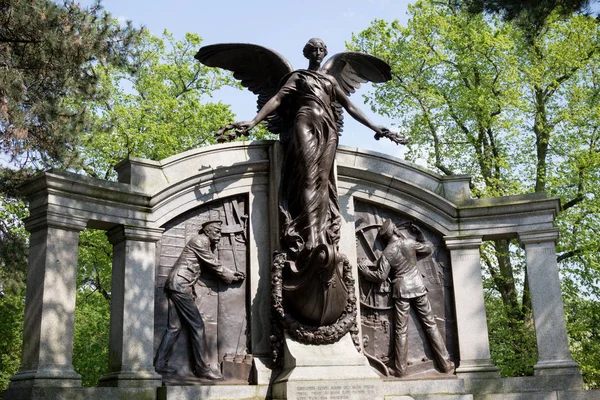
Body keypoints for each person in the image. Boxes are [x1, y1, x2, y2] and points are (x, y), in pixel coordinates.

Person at [228, 38, 392, 258]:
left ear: (325, 53)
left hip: (328, 128)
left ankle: (321, 233)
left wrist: (373, 126)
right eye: (313, 49)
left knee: (322, 182)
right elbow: (277, 98)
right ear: (306, 53)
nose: (317, 52)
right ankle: (311, 236)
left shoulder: (330, 81)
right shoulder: (299, 77)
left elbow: (350, 106)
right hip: (304, 123)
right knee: (308, 176)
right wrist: (253, 121)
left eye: (321, 49)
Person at [154, 212, 245, 380]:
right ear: (208, 231)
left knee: (174, 327)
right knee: (198, 325)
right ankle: (202, 369)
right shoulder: (200, 241)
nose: (219, 235)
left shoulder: (202, 241)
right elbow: (212, 263)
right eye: (217, 232)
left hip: (177, 284)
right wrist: (230, 275)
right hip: (180, 285)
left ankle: (159, 364)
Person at [358, 219, 454, 377]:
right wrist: (420, 235)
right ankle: (445, 364)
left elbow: (380, 276)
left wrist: (364, 272)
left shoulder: (387, 253)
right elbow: (429, 249)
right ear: (395, 231)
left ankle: (401, 370)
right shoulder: (409, 243)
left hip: (401, 291)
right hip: (418, 287)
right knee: (431, 325)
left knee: (401, 331)